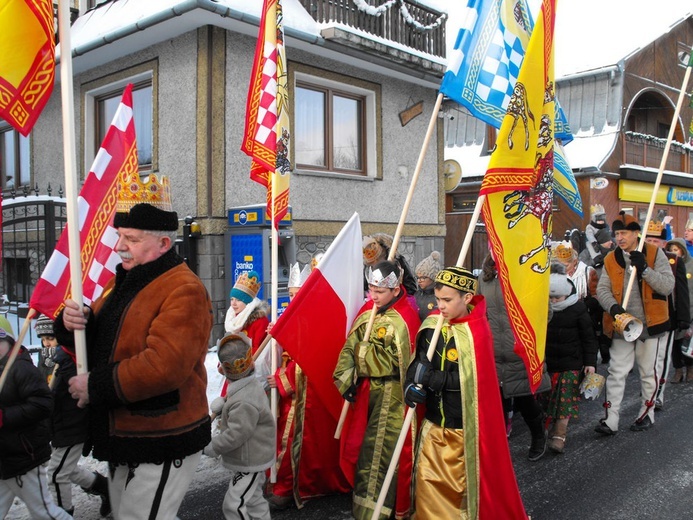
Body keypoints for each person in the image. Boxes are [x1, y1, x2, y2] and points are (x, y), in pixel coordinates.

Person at [55, 174, 213, 520]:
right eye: (120, 236)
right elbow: (103, 335)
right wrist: (74, 325)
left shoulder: (184, 289)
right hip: (126, 436)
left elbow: (164, 366)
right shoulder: (122, 280)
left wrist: (94, 387)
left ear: (163, 245)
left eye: (131, 238)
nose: (119, 246)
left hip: (163, 435)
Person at [403, 267, 526, 518]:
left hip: (462, 431)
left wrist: (431, 378)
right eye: (438, 300)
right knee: (426, 487)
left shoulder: (477, 332)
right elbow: (416, 363)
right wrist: (411, 385)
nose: (441, 306)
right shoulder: (431, 325)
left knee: (460, 496)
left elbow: (472, 379)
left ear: (467, 298)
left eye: (447, 300)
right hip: (433, 426)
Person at [333, 260, 420, 520]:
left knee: (382, 453)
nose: (374, 296)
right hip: (366, 395)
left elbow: (397, 361)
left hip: (393, 398)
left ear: (395, 290)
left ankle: (383, 509)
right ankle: (364, 506)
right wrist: (347, 379)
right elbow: (350, 346)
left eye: (379, 292)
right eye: (371, 290)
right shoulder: (368, 310)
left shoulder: (405, 317)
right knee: (362, 449)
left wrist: (364, 355)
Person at [266, 263, 350, 510]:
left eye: (297, 293)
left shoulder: (317, 317)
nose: (293, 298)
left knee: (300, 439)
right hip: (294, 391)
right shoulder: (292, 315)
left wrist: (285, 378)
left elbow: (313, 358)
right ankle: (279, 482)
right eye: (290, 294)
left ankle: (289, 487)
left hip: (310, 393)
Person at [594, 211, 674, 436]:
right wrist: (614, 309)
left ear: (636, 234)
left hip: (651, 325)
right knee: (616, 372)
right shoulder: (612, 258)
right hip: (622, 324)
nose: (619, 238)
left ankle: (646, 414)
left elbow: (667, 286)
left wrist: (646, 270)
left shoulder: (656, 254)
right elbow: (602, 289)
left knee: (648, 372)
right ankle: (611, 419)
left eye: (624, 233)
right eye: (617, 233)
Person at [478, 254, 551, 461]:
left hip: (518, 353)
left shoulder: (526, 275)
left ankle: (539, 436)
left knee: (525, 401)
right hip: (493, 353)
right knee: (496, 405)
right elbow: (478, 310)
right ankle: (498, 449)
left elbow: (546, 313)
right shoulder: (484, 278)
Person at [37, 315, 110, 517]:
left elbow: (61, 393)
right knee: (64, 468)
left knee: (56, 474)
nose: (46, 343)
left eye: (50, 338)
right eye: (43, 339)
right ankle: (104, 487)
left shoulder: (70, 360)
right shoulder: (47, 359)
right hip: (57, 425)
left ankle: (63, 514)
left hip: (72, 425)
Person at [0, 316, 72, 520]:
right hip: (4, 460)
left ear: (10, 342)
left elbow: (42, 404)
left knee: (44, 512)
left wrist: (3, 417)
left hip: (24, 457)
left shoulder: (21, 368)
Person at [204, 332, 275, 520]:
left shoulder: (245, 400)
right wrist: (223, 405)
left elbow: (236, 434)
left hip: (250, 461)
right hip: (251, 456)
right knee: (253, 500)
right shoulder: (245, 389)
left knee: (234, 504)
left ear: (223, 370)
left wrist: (213, 446)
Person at [545, 264, 598, 453]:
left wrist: (590, 363)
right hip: (549, 364)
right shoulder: (542, 310)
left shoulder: (578, 309)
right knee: (548, 399)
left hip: (571, 364)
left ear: (567, 294)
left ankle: (559, 435)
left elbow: (589, 338)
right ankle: (549, 431)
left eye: (557, 298)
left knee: (565, 401)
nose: (553, 301)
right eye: (550, 298)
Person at [644, 221, 690, 409]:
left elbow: (682, 290)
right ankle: (648, 389)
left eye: (657, 240)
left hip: (667, 318)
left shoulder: (674, 261)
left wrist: (684, 318)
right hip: (643, 318)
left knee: (661, 358)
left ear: (664, 243)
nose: (653, 243)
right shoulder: (637, 259)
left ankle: (658, 395)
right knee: (645, 361)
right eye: (649, 239)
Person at [223, 270, 269, 395]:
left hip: (250, 374)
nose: (233, 303)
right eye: (232, 299)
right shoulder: (234, 318)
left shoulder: (260, 321)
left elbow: (259, 349)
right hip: (233, 371)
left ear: (248, 302)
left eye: (238, 299)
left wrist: (241, 366)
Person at [665, 237, 693, 383]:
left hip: (689, 308)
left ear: (682, 250)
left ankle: (690, 368)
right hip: (674, 309)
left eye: (676, 250)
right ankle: (677, 370)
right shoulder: (668, 265)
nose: (673, 253)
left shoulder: (691, 265)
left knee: (686, 341)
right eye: (670, 250)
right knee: (674, 343)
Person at [414, 250, 441, 321]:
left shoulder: (440, 297)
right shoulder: (416, 295)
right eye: (418, 277)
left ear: (433, 278)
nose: (419, 280)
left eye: (423, 277)